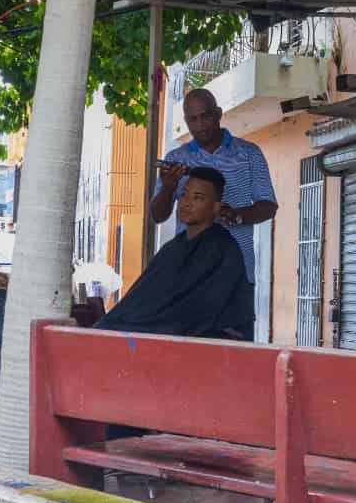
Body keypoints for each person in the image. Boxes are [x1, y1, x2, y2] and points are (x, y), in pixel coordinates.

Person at [149, 87, 276, 336]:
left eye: (205, 116)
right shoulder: (177, 158)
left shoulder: (249, 153)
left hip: (237, 271)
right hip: (189, 274)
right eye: (192, 119)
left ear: (218, 114)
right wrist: (168, 187)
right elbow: (158, 215)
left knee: (234, 351)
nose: (199, 125)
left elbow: (268, 205)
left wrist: (237, 215)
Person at [99, 168, 254, 339]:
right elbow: (142, 298)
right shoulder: (172, 249)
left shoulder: (224, 249)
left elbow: (196, 311)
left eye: (198, 198)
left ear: (216, 208)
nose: (186, 203)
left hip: (209, 346)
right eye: (184, 195)